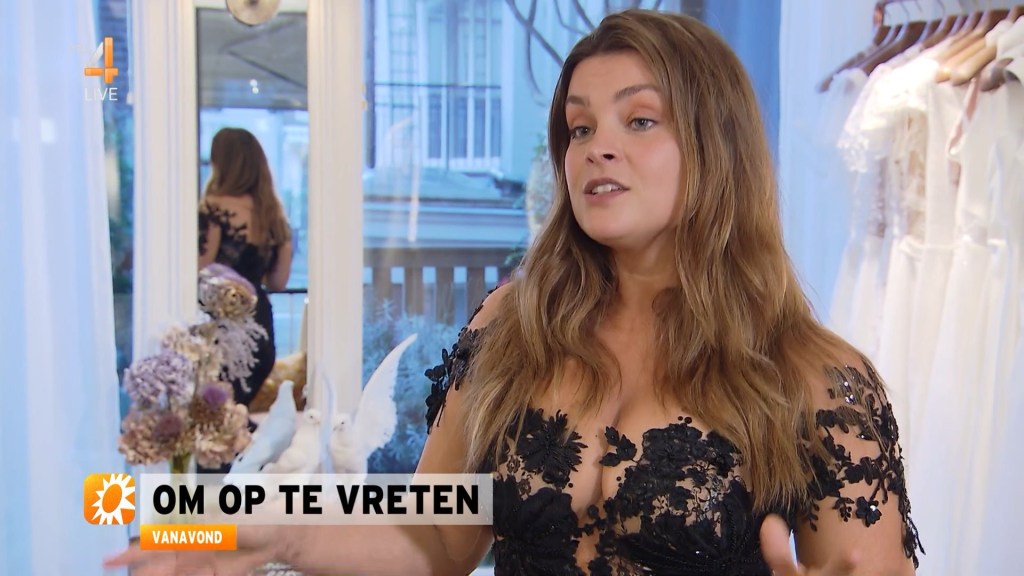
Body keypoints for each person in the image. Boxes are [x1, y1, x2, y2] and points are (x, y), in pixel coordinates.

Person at [106, 10, 922, 575]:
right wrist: (280, 536)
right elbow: (437, 541)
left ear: (718, 146)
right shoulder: (512, 328)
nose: (597, 147)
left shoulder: (816, 380)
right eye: (579, 127)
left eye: (639, 120)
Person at [198, 127, 293, 414]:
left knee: (215, 415)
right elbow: (278, 281)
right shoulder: (273, 215)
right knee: (235, 414)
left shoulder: (212, 209)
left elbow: (200, 268)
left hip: (223, 325)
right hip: (260, 326)